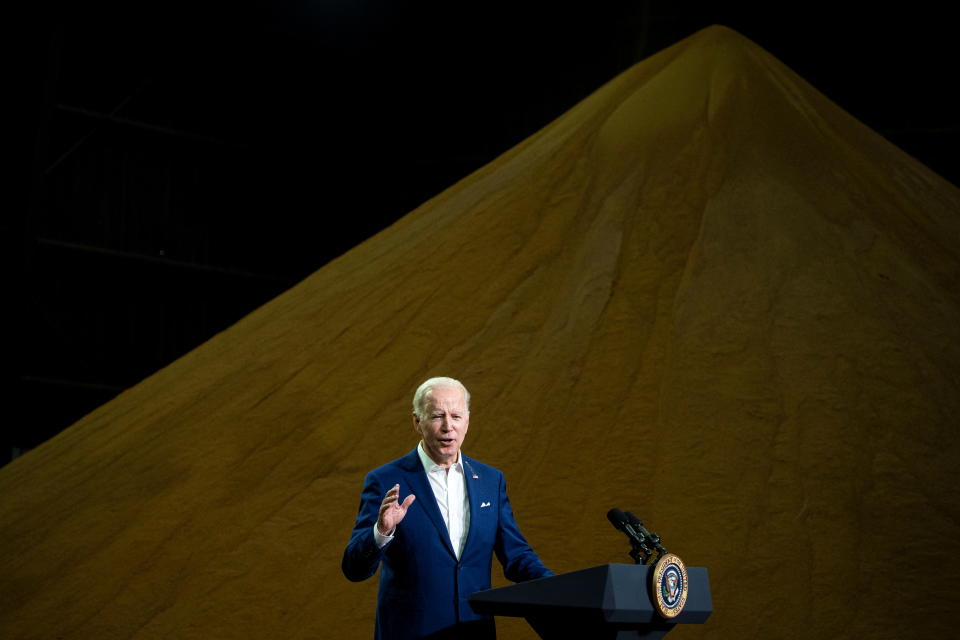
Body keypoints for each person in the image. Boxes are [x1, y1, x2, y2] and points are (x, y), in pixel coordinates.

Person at [342, 377, 552, 639]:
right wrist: (381, 531)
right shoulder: (385, 480)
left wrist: (559, 588)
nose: (448, 427)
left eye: (456, 415)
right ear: (417, 422)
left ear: (468, 420)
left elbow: (517, 556)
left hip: (474, 630)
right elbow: (354, 569)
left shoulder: (490, 481)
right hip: (410, 631)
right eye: (437, 416)